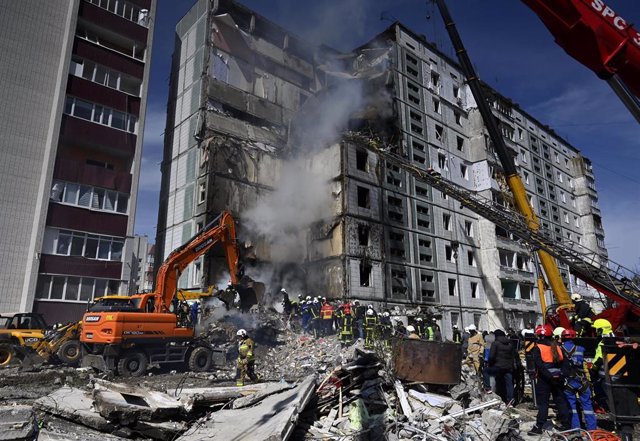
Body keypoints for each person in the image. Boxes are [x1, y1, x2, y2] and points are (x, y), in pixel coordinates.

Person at [528, 324, 571, 435]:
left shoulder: (538, 348)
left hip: (544, 379)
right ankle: (566, 425)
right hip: (558, 378)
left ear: (539, 335)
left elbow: (539, 365)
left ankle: (539, 426)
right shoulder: (557, 347)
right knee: (561, 401)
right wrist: (561, 375)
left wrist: (549, 376)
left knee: (543, 404)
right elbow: (565, 363)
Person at [560, 328, 597, 431]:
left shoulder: (559, 349)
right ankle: (592, 429)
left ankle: (576, 428)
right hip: (581, 381)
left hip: (568, 381)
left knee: (571, 406)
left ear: (562, 337)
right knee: (587, 405)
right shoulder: (580, 349)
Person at [483, 329, 517, 404]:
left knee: (486, 371)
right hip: (508, 367)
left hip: (498, 367)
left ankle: (488, 389)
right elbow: (514, 356)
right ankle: (510, 400)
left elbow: (491, 357)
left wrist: (489, 364)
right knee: (509, 384)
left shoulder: (495, 344)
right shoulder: (510, 344)